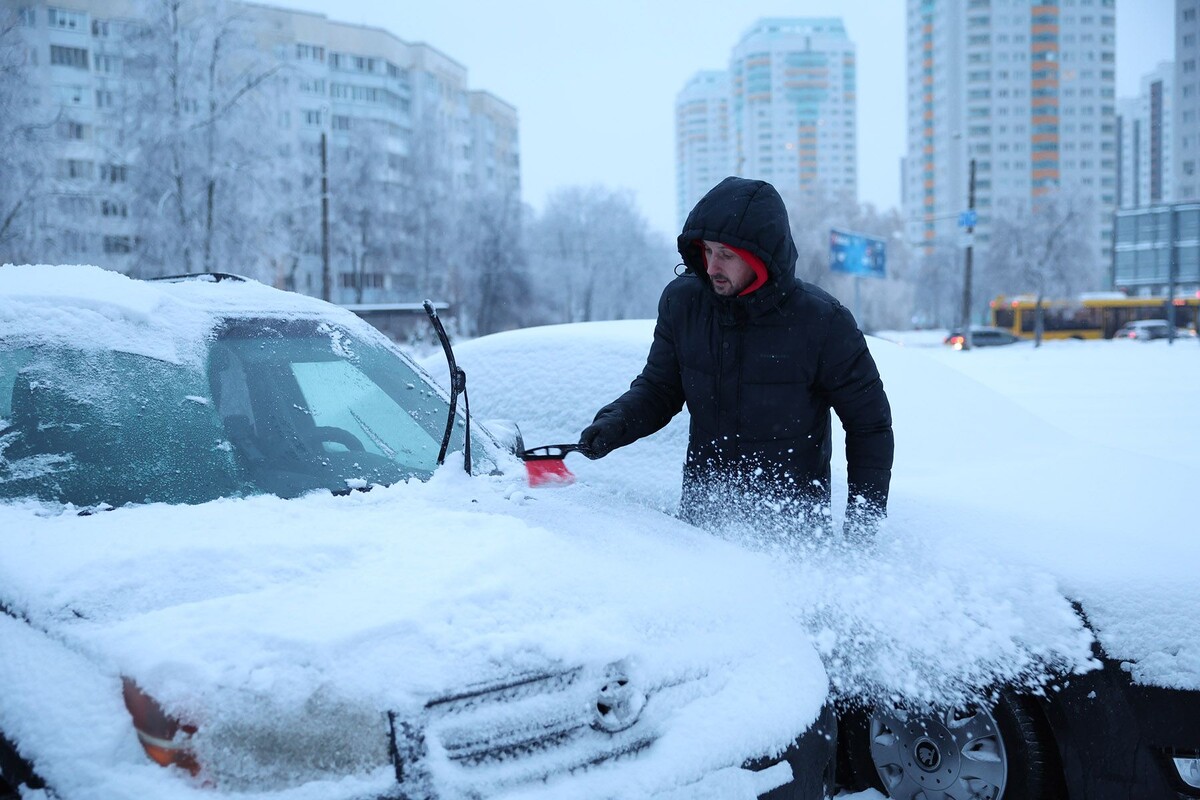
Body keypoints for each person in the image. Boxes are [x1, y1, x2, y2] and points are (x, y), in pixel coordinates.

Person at [577, 176, 894, 541]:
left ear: (762, 256)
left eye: (726, 255)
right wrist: (618, 422)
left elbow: (869, 424)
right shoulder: (683, 305)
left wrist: (863, 526)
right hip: (703, 521)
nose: (712, 266)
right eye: (708, 251)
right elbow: (660, 388)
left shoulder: (822, 322)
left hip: (793, 528)